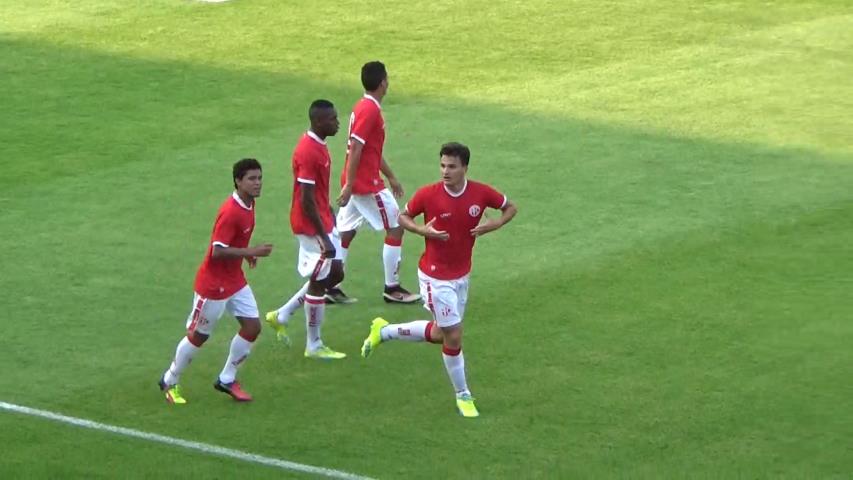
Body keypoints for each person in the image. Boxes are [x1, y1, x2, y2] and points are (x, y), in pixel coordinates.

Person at [360, 142, 517, 418]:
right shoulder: (429, 195)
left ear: (464, 168)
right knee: (454, 335)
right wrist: (423, 230)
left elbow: (510, 208)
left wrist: (495, 224)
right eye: (442, 165)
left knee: (439, 333)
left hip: (461, 275)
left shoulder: (481, 193)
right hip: (434, 276)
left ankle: (383, 331)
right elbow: (402, 216)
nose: (445, 171)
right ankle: (463, 395)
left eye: (452, 166)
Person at [158, 158, 273, 404]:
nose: (257, 183)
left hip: (234, 280)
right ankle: (170, 380)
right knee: (199, 336)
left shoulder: (249, 204)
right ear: (238, 181)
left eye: (259, 178)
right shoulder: (231, 211)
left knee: (252, 327)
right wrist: (250, 251)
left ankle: (227, 378)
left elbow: (234, 243)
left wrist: (246, 256)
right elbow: (217, 251)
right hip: (213, 285)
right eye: (252, 179)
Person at [329, 60, 420, 305]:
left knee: (345, 232)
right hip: (364, 184)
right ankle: (392, 287)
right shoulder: (370, 110)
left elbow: (369, 150)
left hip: (357, 180)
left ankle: (331, 284)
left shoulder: (363, 107)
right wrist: (350, 184)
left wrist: (390, 176)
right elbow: (357, 147)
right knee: (397, 225)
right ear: (382, 83)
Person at [264, 100, 346, 359]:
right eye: (333, 119)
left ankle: (283, 314)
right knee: (322, 280)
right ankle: (314, 344)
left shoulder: (319, 146)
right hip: (311, 225)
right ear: (319, 122)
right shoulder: (308, 152)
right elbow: (305, 199)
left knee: (334, 274)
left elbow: (317, 194)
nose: (337, 122)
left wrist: (329, 211)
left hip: (321, 218)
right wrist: (324, 237)